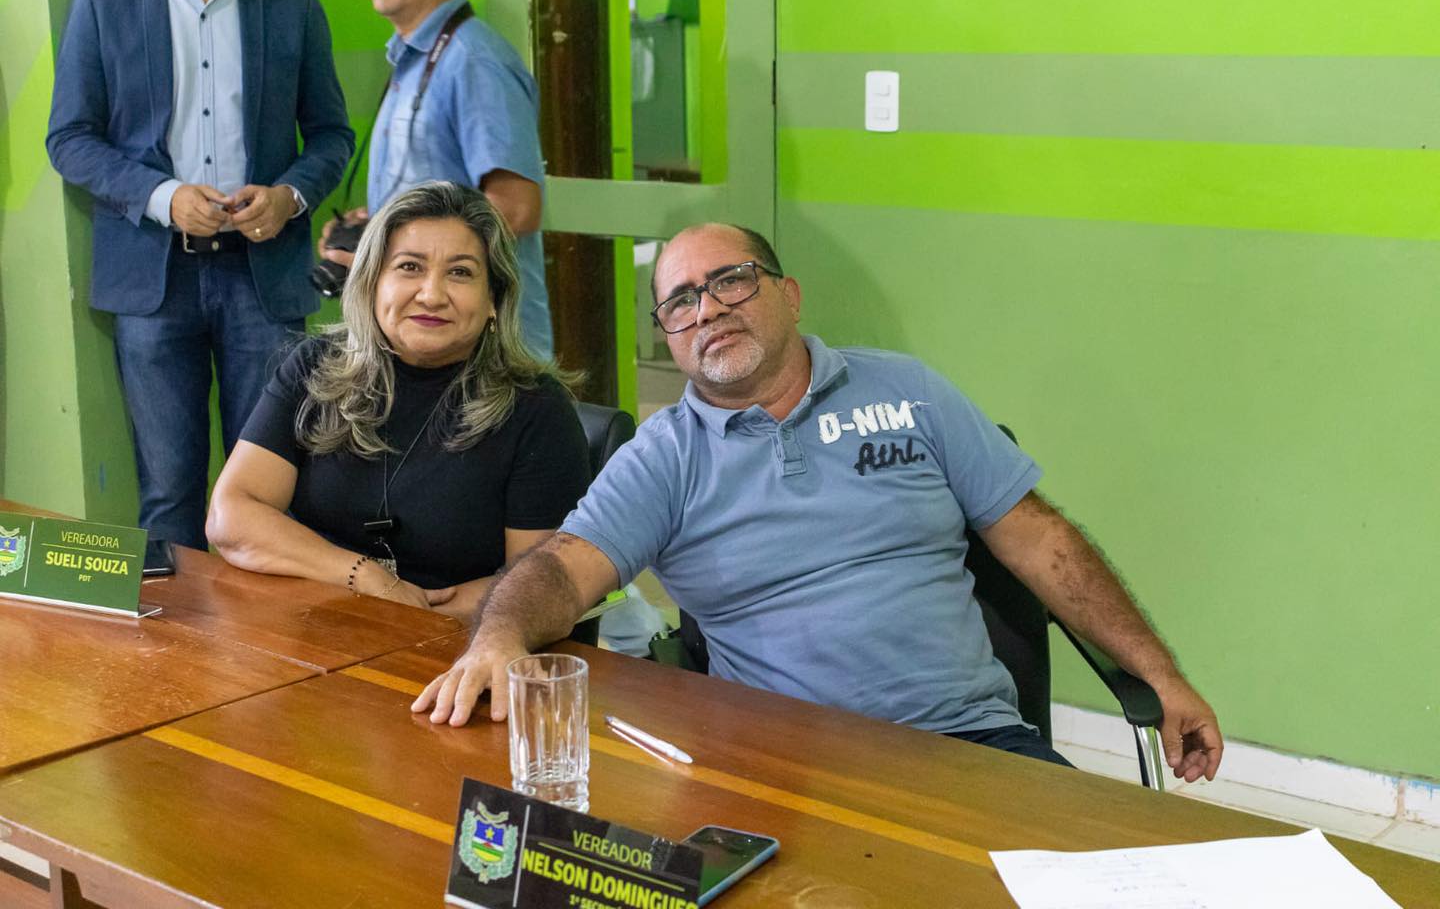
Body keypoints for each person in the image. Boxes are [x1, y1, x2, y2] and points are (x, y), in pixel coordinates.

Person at [413, 223, 1226, 781]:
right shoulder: (665, 456)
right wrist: (501, 637)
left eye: (731, 281)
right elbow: (561, 568)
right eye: (681, 301)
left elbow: (1041, 537)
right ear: (670, 334)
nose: (709, 308)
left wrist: (1161, 676)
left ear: (789, 295)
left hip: (976, 748)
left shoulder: (908, 390)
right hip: (789, 770)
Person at [46, 0, 354, 550]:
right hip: (153, 279)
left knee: (271, 490)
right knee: (168, 489)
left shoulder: (291, 5)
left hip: (263, 277)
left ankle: (264, 614)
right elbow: (69, 137)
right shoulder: (104, 4)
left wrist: (289, 197)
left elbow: (331, 134)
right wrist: (162, 196)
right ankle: (177, 613)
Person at [205, 182, 588, 619]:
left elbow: (539, 584)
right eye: (409, 267)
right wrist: (367, 579)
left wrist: (404, 617)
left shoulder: (538, 409)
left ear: (494, 300)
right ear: (372, 283)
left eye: (460, 273)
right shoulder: (315, 367)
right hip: (318, 624)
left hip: (463, 639)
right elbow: (230, 517)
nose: (431, 295)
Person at [319, 0, 553, 358]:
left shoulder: (474, 60)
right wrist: (372, 228)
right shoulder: (414, 59)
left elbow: (516, 209)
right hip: (425, 335)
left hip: (482, 348)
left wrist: (387, 251)